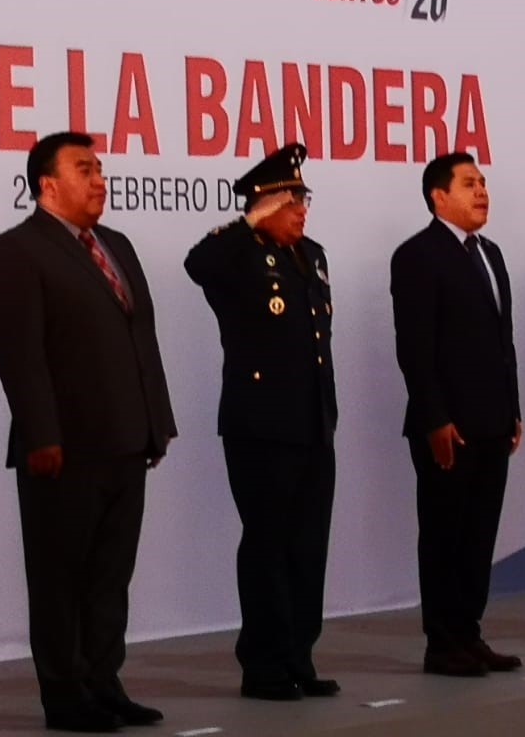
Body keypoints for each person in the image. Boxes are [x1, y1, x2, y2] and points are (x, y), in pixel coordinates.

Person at [0, 131, 178, 732]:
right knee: (60, 579)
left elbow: (140, 339)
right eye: (84, 169)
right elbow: (19, 354)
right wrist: (41, 433)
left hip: (127, 439)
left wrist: (156, 421)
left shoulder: (115, 244)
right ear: (48, 184)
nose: (99, 180)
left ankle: (103, 683)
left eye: (100, 169)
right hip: (63, 448)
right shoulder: (17, 250)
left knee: (109, 578)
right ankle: (65, 696)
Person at [185, 144, 341, 700]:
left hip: (313, 422)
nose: (302, 210)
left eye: (304, 199)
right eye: (291, 201)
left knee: (308, 547)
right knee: (268, 544)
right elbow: (197, 265)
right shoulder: (237, 255)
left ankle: (299, 656)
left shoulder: (312, 255)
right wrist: (249, 221)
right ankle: (264, 665)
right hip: (261, 425)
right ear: (264, 205)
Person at [390, 152, 523, 674]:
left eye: (483, 182)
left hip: (493, 422)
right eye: (469, 184)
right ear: (438, 196)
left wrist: (513, 409)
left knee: (479, 536)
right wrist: (434, 419)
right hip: (447, 426)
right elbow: (415, 349)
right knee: (445, 535)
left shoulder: (491, 253)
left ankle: (469, 633)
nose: (482, 191)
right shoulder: (417, 255)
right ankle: (442, 644)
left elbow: (503, 342)